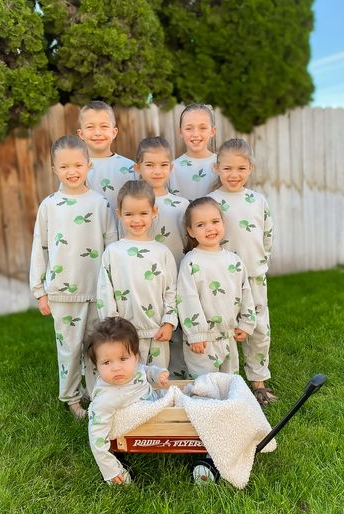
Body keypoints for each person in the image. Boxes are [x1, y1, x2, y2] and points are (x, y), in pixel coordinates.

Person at [29, 135, 117, 419]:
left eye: (78, 165)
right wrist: (39, 291)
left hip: (96, 290)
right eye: (64, 166)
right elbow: (39, 248)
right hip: (62, 292)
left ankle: (97, 393)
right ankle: (72, 398)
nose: (72, 171)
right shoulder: (50, 206)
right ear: (54, 169)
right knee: (69, 348)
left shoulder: (101, 204)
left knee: (96, 345)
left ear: (88, 165)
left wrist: (114, 288)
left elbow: (112, 248)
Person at [208, 138, 277, 406]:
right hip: (222, 278)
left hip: (253, 275)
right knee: (223, 328)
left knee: (258, 328)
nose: (233, 175)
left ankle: (258, 380)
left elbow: (267, 236)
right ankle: (223, 380)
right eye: (227, 169)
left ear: (250, 168)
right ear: (217, 169)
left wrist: (260, 262)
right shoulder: (211, 201)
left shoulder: (258, 201)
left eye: (240, 168)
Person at [97, 180, 178, 369]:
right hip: (124, 332)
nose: (136, 220)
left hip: (157, 330)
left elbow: (172, 290)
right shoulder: (113, 252)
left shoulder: (162, 252)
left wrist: (168, 322)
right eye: (129, 214)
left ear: (154, 212)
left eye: (143, 213)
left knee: (158, 377)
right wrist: (113, 326)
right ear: (119, 214)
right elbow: (105, 292)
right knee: (128, 376)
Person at [177, 197, 256, 379]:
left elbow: (246, 293)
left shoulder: (234, 261)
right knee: (205, 384)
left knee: (230, 382)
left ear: (223, 223)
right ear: (191, 231)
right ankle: (204, 408)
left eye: (215, 221)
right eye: (201, 225)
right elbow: (187, 299)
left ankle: (228, 408)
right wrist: (196, 334)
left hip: (228, 335)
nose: (210, 228)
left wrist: (246, 323)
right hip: (203, 340)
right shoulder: (191, 262)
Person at [87, 317, 169, 485]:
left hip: (157, 406)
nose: (116, 367)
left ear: (135, 357)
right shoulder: (105, 400)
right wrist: (109, 469)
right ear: (97, 365)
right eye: (107, 362)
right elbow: (97, 437)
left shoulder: (134, 370)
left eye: (123, 359)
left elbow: (143, 371)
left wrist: (156, 374)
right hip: (144, 423)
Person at [134, 136, 189, 267]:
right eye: (149, 165)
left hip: (176, 274)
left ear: (171, 168)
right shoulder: (132, 204)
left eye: (163, 165)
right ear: (137, 168)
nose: (157, 171)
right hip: (141, 274)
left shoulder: (182, 206)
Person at [76, 100, 135, 215]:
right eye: (90, 127)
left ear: (114, 132)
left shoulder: (130, 168)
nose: (97, 132)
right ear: (81, 134)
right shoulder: (75, 169)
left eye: (104, 126)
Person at [169, 103, 217, 201]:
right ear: (180, 132)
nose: (195, 134)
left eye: (203, 128)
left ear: (212, 131)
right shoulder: (172, 169)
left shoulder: (222, 165)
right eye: (189, 128)